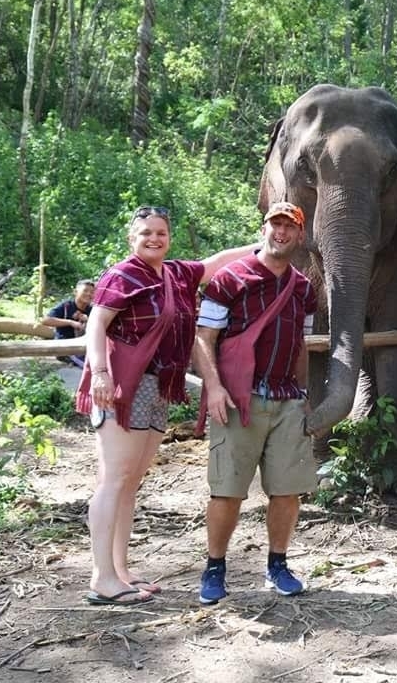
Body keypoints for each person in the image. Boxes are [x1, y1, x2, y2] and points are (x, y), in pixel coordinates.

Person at [78, 206, 258, 606]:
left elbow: (215, 263)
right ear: (132, 238)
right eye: (145, 233)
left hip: (158, 385)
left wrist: (263, 244)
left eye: (160, 232)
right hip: (124, 385)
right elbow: (97, 323)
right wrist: (101, 373)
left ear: (168, 236)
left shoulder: (175, 273)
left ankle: (120, 571)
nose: (153, 239)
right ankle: (101, 578)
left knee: (129, 482)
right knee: (114, 478)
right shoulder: (121, 275)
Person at [192, 202, 319, 605]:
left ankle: (277, 565)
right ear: (264, 229)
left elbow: (301, 344)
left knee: (287, 491)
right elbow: (203, 338)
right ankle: (215, 568)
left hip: (285, 399)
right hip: (237, 399)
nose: (280, 233)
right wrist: (213, 388)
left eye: (289, 227)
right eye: (274, 224)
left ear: (300, 236)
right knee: (227, 491)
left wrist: (304, 395)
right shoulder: (229, 279)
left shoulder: (303, 289)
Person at [40, 279, 95, 367]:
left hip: (84, 347)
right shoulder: (66, 306)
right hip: (64, 348)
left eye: (92, 292)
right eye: (85, 291)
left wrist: (88, 320)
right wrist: (70, 322)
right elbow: (45, 320)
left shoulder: (92, 309)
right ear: (75, 292)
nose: (89, 294)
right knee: (89, 365)